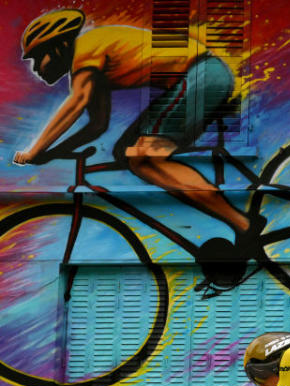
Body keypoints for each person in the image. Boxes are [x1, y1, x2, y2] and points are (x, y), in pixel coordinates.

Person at [13, 9, 261, 247]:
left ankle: (243, 224)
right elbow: (97, 127)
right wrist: (52, 153)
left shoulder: (86, 49)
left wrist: (34, 151)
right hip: (197, 78)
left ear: (59, 47)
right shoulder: (90, 69)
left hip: (204, 75)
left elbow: (77, 102)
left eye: (37, 57)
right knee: (125, 152)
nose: (35, 68)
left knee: (144, 157)